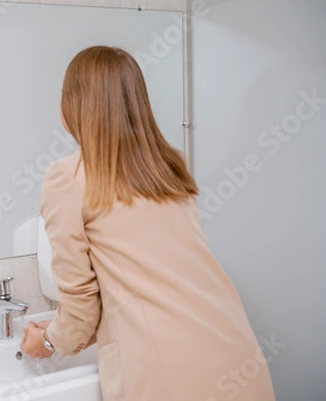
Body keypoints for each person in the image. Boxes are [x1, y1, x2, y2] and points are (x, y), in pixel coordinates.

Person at [20, 46, 275, 401]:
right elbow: (146, 285)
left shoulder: (66, 176)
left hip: (166, 372)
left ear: (75, 104)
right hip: (234, 351)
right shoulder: (168, 167)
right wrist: (63, 327)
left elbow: (82, 305)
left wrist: (47, 341)